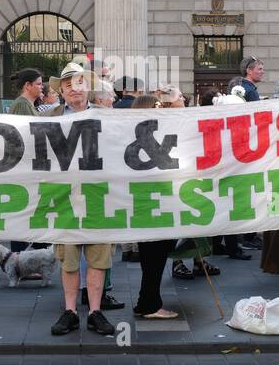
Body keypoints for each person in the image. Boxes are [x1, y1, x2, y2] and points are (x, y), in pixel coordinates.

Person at [47, 63, 116, 336]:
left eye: (79, 82)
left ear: (87, 86)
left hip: (99, 197)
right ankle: (70, 311)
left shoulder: (108, 117)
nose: (74, 89)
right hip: (63, 198)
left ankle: (96, 311)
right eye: (68, 84)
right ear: (62, 91)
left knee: (99, 258)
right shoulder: (47, 117)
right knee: (69, 258)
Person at [127, 94, 180, 320]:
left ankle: (145, 302)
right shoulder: (149, 139)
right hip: (155, 204)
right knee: (155, 257)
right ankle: (150, 305)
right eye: (158, 107)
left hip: (143, 204)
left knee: (151, 257)